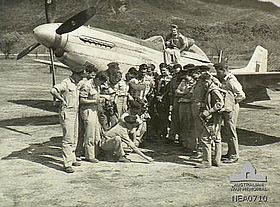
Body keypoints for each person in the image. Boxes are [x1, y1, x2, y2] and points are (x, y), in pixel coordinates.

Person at [50, 70, 85, 173]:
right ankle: (67, 164)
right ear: (75, 74)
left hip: (75, 112)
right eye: (80, 76)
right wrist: (61, 100)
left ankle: (72, 158)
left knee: (75, 136)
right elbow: (53, 91)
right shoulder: (66, 82)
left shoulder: (77, 83)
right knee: (68, 138)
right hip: (67, 112)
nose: (82, 78)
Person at [214, 63, 246, 164]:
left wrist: (232, 102)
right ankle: (230, 152)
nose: (217, 73)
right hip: (226, 107)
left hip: (231, 108)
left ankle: (234, 155)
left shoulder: (231, 81)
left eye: (218, 70)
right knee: (227, 131)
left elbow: (241, 95)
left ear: (224, 70)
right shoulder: (225, 80)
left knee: (231, 131)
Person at [197, 72, 224, 168]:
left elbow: (220, 103)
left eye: (203, 82)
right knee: (217, 138)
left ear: (207, 81)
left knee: (205, 139)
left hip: (212, 118)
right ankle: (217, 160)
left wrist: (209, 111)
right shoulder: (211, 89)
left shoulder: (213, 90)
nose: (202, 85)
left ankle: (206, 162)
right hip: (215, 117)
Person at [79, 67, 102, 163]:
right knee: (89, 134)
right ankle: (89, 156)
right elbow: (81, 100)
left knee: (96, 132)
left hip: (94, 111)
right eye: (100, 82)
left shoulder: (97, 85)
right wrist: (94, 101)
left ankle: (93, 152)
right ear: (96, 79)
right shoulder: (87, 85)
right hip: (87, 111)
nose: (101, 85)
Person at [175, 64, 196, 150]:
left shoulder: (194, 82)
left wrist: (183, 94)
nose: (185, 76)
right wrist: (184, 93)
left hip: (189, 104)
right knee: (182, 123)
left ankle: (190, 145)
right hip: (182, 103)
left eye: (186, 74)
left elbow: (191, 95)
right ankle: (184, 143)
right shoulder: (183, 82)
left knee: (189, 125)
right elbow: (177, 92)